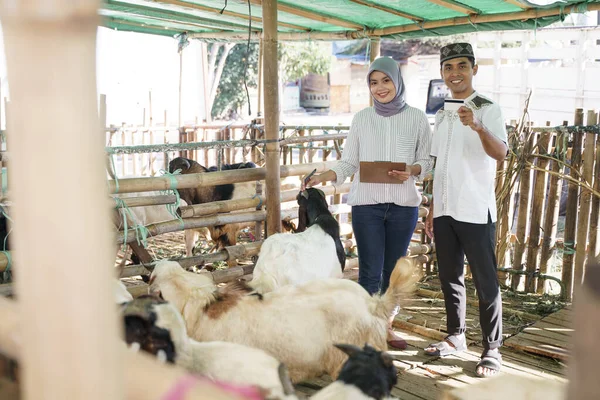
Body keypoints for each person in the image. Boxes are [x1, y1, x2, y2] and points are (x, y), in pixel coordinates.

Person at [304, 56, 433, 349]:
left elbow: (426, 161)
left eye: (386, 80)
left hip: (403, 207)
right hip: (367, 207)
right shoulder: (362, 118)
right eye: (374, 82)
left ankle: (385, 326)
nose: (380, 88)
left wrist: (412, 171)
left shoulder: (416, 118)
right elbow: (349, 161)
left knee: (391, 272)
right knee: (369, 272)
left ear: (397, 82)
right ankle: (364, 329)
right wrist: (324, 176)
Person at [423, 43, 508, 377]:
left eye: (461, 66)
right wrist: (431, 207)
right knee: (449, 277)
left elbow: (500, 153)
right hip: (444, 208)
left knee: (486, 281)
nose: (454, 73)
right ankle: (456, 337)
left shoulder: (488, 108)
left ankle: (493, 349)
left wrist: (478, 126)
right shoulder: (442, 111)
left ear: (474, 69)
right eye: (448, 67)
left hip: (474, 208)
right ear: (442, 72)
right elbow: (438, 163)